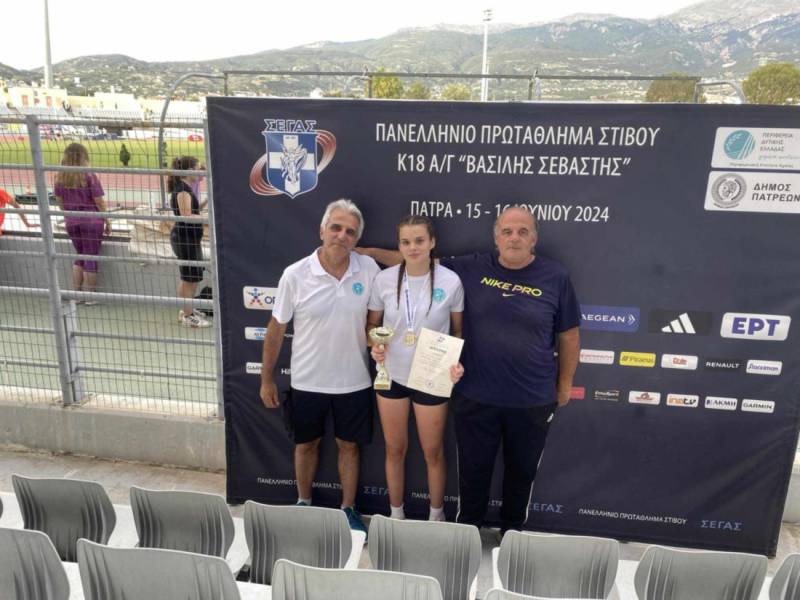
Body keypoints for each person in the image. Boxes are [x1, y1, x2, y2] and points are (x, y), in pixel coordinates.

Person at [359, 206, 580, 536]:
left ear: (534, 238)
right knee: (474, 472)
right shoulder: (471, 267)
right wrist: (368, 253)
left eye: (522, 231)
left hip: (532, 397)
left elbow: (569, 335)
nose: (514, 238)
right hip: (477, 394)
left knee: (521, 472)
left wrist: (564, 385)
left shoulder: (555, 276)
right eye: (507, 231)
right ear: (496, 237)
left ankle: (511, 535)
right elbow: (416, 260)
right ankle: (468, 535)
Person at [259, 199, 380, 535]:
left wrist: (378, 342)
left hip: (354, 381)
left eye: (350, 232)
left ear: (356, 239)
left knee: (349, 447)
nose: (342, 235)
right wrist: (266, 378)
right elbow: (276, 329)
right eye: (336, 228)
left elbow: (373, 324)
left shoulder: (369, 269)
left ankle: (348, 509)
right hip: (307, 381)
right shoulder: (295, 274)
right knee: (306, 445)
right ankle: (304, 503)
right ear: (322, 230)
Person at [367, 215, 465, 522]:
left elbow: (457, 331)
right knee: (394, 449)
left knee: (432, 452)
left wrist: (454, 361)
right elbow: (372, 325)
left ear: (432, 242)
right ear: (399, 245)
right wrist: (375, 343)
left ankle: (436, 516)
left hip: (432, 377)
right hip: (391, 375)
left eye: (419, 241)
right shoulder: (384, 280)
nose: (413, 248)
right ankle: (396, 515)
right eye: (406, 242)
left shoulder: (450, 281)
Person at [54, 143, 111, 304]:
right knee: (90, 256)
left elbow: (60, 203)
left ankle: (77, 295)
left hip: (72, 221)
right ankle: (90, 295)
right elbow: (99, 201)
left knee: (80, 255)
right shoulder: (89, 176)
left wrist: (70, 212)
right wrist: (107, 220)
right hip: (91, 220)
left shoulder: (60, 177)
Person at [168, 155, 209, 328]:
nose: (200, 172)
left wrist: (207, 202)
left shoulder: (186, 188)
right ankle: (187, 315)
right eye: (198, 169)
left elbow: (193, 210)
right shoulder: (183, 190)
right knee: (188, 278)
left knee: (193, 277)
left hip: (190, 238)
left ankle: (187, 309)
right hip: (184, 239)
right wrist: (207, 219)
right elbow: (186, 215)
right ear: (189, 170)